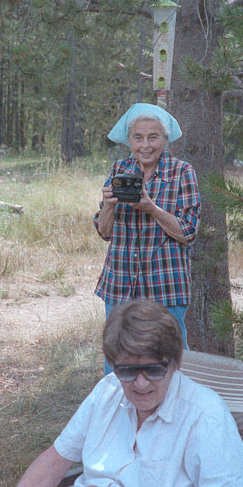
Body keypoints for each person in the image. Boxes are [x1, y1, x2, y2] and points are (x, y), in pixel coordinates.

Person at [0, 299, 243, 487]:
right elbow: (57, 457)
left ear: (174, 362)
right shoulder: (108, 391)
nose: (140, 383)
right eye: (127, 371)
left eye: (154, 369)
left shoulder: (205, 416)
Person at [95, 103, 201, 354]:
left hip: (165, 284)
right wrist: (109, 206)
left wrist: (151, 208)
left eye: (153, 137)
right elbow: (104, 232)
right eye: (138, 137)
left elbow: (188, 232)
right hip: (120, 283)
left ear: (164, 139)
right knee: (119, 359)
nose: (145, 145)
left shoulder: (182, 172)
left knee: (171, 358)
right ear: (129, 140)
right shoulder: (120, 170)